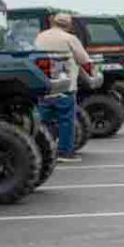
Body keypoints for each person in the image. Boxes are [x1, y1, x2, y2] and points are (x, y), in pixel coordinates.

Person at [34, 12, 96, 159]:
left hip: (44, 85)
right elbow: (84, 60)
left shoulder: (40, 37)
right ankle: (65, 152)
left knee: (44, 120)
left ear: (52, 23)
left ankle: (44, 150)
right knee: (66, 121)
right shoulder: (70, 38)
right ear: (68, 25)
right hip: (65, 86)